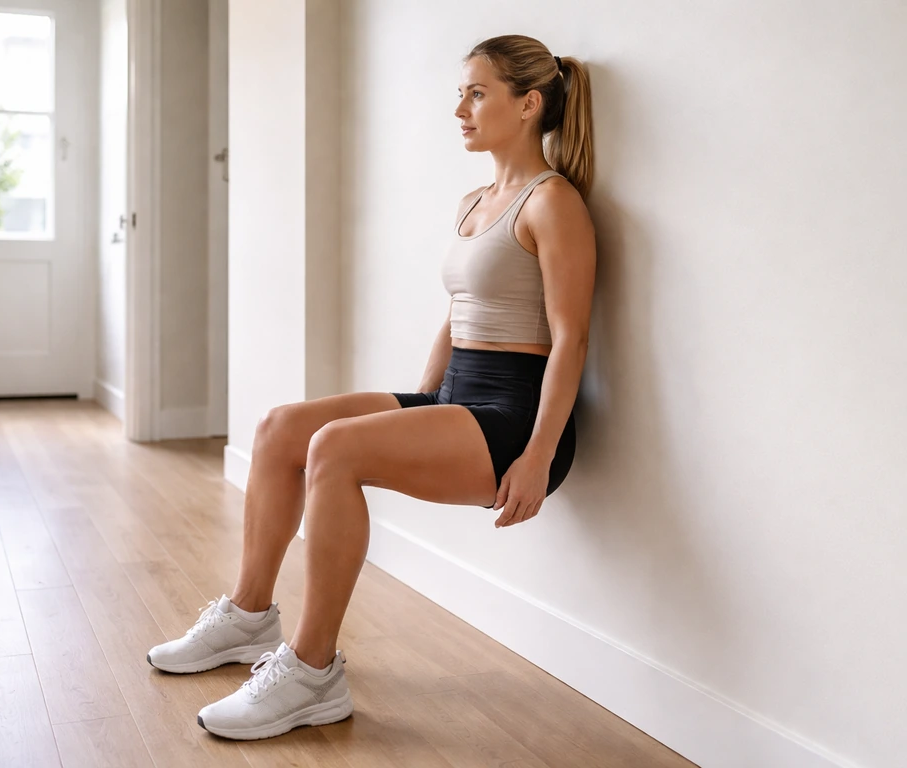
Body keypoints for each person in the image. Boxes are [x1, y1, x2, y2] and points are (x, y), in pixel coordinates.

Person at [147, 33, 596, 741]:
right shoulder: (477, 200)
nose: (460, 108)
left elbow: (570, 338)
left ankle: (312, 673)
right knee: (279, 428)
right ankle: (247, 618)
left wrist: (538, 453)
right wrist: (419, 404)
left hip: (514, 418)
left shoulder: (553, 203)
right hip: (460, 396)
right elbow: (457, 314)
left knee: (334, 449)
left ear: (528, 103)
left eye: (477, 92)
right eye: (461, 92)